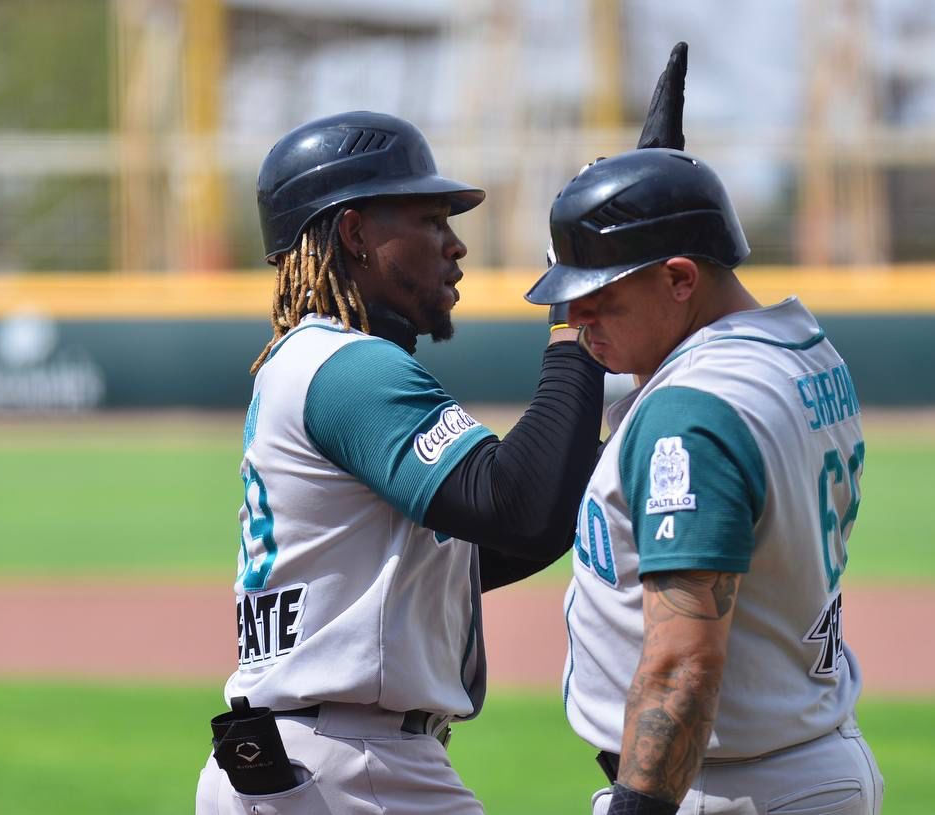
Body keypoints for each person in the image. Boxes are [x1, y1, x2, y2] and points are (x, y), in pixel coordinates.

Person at [194, 110, 604, 814]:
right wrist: (577, 312)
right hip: (351, 767)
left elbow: (495, 540)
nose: (455, 244)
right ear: (355, 233)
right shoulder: (347, 367)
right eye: (430, 220)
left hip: (317, 759)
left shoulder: (311, 362)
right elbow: (520, 504)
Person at [525, 148, 885, 815]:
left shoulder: (690, 412)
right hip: (800, 756)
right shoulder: (799, 351)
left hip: (726, 786)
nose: (575, 318)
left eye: (600, 298)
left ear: (680, 279)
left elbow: (682, 664)